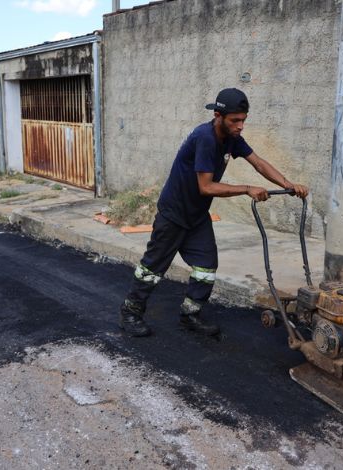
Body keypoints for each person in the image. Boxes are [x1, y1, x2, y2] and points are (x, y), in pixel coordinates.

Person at [118, 88, 309, 337]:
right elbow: (206, 186)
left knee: (206, 267)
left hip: (197, 216)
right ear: (218, 115)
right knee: (152, 268)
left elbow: (258, 162)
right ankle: (130, 312)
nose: (240, 126)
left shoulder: (231, 138)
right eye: (235, 120)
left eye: (243, 120)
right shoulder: (205, 138)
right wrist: (247, 188)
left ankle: (190, 315)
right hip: (174, 213)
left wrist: (288, 185)